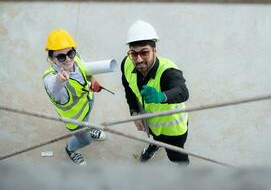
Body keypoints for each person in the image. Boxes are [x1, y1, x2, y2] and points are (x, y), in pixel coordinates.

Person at [121, 20, 190, 165]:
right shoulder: (127, 63)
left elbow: (182, 92)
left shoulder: (167, 71)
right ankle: (155, 144)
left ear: (154, 51)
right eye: (134, 53)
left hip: (173, 130)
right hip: (151, 124)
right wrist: (134, 112)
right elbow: (129, 89)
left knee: (177, 157)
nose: (138, 60)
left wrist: (161, 96)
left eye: (144, 52)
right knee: (155, 138)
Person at [43, 29, 106, 165]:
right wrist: (58, 80)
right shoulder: (50, 78)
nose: (68, 59)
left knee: (87, 122)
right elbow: (53, 86)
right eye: (61, 57)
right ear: (52, 59)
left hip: (87, 105)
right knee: (85, 140)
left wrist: (93, 79)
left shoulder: (76, 58)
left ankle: (87, 128)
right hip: (74, 120)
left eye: (70, 53)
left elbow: (85, 70)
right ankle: (70, 149)